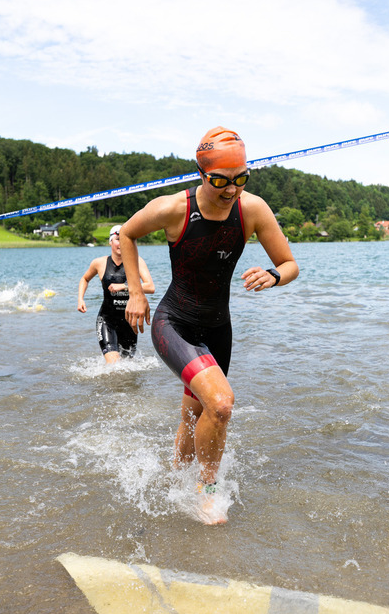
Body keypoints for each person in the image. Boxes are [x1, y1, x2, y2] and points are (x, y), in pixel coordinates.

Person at [119, 127, 299, 524]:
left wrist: (274, 275)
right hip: (174, 324)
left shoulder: (252, 209)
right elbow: (127, 234)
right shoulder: (174, 208)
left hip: (218, 330)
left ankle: (174, 479)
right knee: (221, 404)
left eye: (240, 178)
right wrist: (135, 292)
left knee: (195, 414)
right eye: (220, 180)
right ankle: (207, 490)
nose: (231, 189)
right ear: (201, 173)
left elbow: (290, 264)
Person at [77, 224, 155, 363]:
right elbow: (85, 279)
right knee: (113, 364)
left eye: (124, 240)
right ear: (110, 242)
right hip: (107, 320)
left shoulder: (137, 261)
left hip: (129, 321)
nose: (121, 243)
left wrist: (124, 286)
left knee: (127, 366)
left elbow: (150, 287)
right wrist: (80, 299)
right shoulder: (99, 263)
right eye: (118, 239)